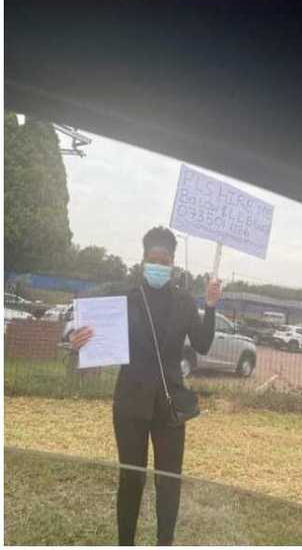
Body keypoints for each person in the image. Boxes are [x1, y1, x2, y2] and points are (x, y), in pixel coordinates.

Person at [67, 226, 221, 545]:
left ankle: (165, 543)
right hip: (129, 404)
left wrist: (211, 305)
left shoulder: (184, 302)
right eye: (153, 259)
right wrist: (75, 339)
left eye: (164, 261)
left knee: (168, 482)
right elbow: (87, 327)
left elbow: (203, 344)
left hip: (170, 406)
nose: (158, 265)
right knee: (131, 480)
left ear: (173, 262)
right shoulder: (124, 298)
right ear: (143, 259)